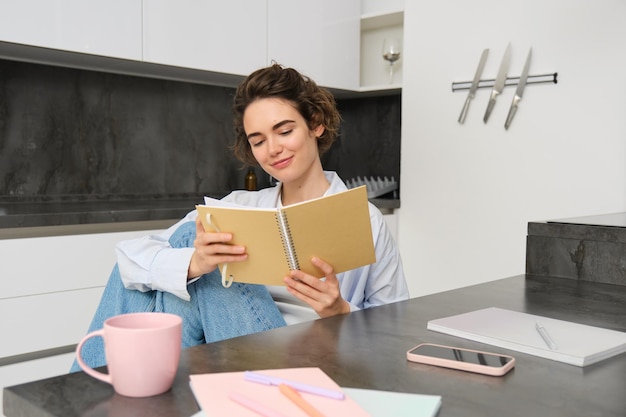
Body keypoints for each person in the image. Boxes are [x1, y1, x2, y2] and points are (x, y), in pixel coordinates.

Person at [71, 64, 409, 371]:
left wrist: (340, 313)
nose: (272, 149)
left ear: (316, 124)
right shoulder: (239, 207)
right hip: (228, 345)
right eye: (258, 140)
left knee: (193, 249)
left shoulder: (364, 217)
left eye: (284, 131)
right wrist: (196, 264)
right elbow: (128, 262)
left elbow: (396, 330)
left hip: (312, 363)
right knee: (189, 252)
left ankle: (88, 391)